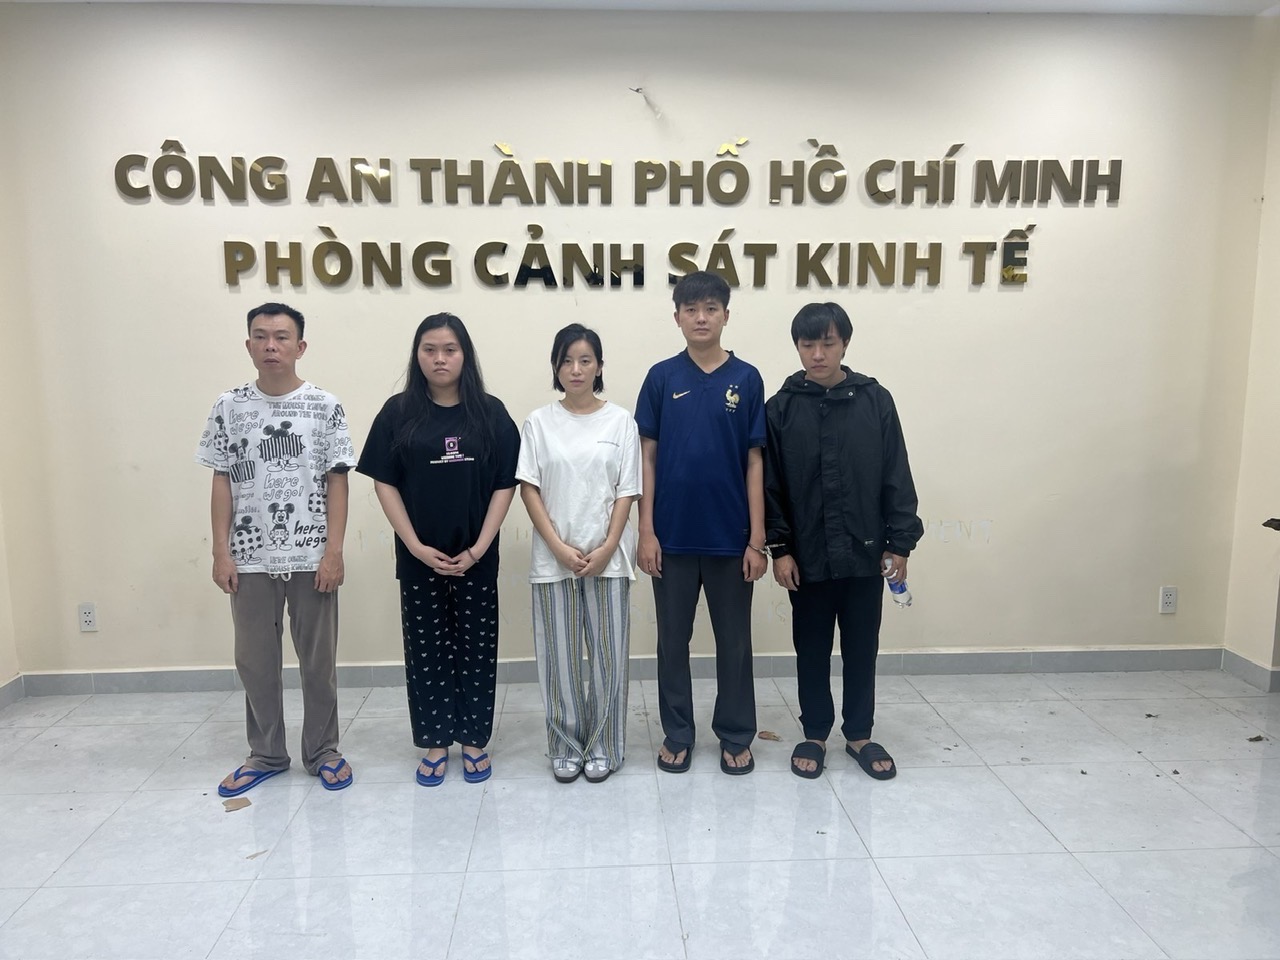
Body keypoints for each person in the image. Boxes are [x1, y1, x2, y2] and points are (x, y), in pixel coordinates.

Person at [196, 302, 356, 797]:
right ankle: (266, 752)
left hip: (311, 557)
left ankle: (323, 751)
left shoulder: (325, 406)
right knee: (255, 662)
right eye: (261, 336)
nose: (271, 345)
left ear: (300, 346)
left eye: (282, 337)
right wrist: (221, 551)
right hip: (250, 556)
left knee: (318, 663)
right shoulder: (229, 406)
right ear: (248, 345)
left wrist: (333, 551)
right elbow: (221, 481)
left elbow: (337, 482)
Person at [357, 313, 520, 787]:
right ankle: (434, 741)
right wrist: (414, 545)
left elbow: (506, 483)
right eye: (430, 349)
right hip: (419, 558)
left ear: (465, 355)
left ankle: (473, 740)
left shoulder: (490, 413)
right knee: (426, 650)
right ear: (417, 355)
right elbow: (384, 482)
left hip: (476, 556)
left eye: (450, 349)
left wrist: (480, 547)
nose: (440, 358)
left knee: (476, 649)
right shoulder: (398, 413)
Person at [764, 302, 923, 781]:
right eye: (808, 344)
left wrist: (900, 543)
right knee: (810, 648)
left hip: (864, 553)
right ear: (797, 347)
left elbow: (896, 473)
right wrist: (780, 549)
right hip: (807, 557)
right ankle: (814, 733)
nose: (818, 354)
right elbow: (771, 487)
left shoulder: (875, 401)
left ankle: (859, 734)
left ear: (845, 344)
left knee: (861, 647)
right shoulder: (780, 409)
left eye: (828, 343)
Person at [635, 271, 768, 776]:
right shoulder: (661, 377)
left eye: (711, 308)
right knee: (672, 642)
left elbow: (755, 461)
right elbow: (647, 457)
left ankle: (735, 732)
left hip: (731, 538)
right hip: (670, 537)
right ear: (677, 318)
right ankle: (678, 733)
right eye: (691, 310)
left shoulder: (747, 379)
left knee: (734, 643)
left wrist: (757, 540)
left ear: (726, 315)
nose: (701, 318)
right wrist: (647, 531)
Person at [517, 324, 641, 783]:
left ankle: (605, 746)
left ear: (599, 367)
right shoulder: (538, 423)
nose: (576, 369)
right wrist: (557, 547)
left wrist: (608, 547)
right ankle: (566, 746)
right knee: (560, 661)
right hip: (554, 560)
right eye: (566, 361)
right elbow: (529, 488)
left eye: (585, 360)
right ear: (556, 367)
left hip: (608, 559)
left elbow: (627, 490)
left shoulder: (621, 422)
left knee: (608, 660)